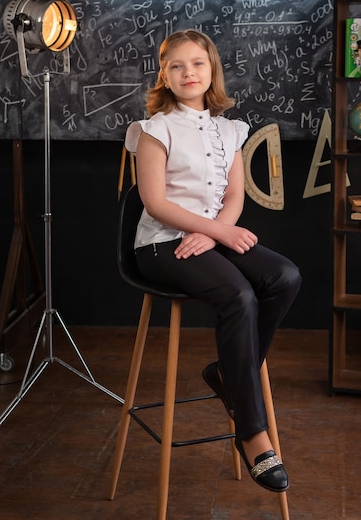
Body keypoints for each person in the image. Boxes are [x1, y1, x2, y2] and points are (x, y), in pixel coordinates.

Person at [124, 29, 302, 493]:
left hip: (208, 238)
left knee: (283, 276)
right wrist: (215, 231)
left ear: (211, 70)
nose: (188, 73)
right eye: (177, 65)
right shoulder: (152, 130)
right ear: (164, 73)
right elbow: (155, 202)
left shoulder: (230, 128)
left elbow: (235, 195)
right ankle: (253, 433)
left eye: (197, 64)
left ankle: (228, 373)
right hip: (163, 244)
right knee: (239, 296)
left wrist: (216, 230)